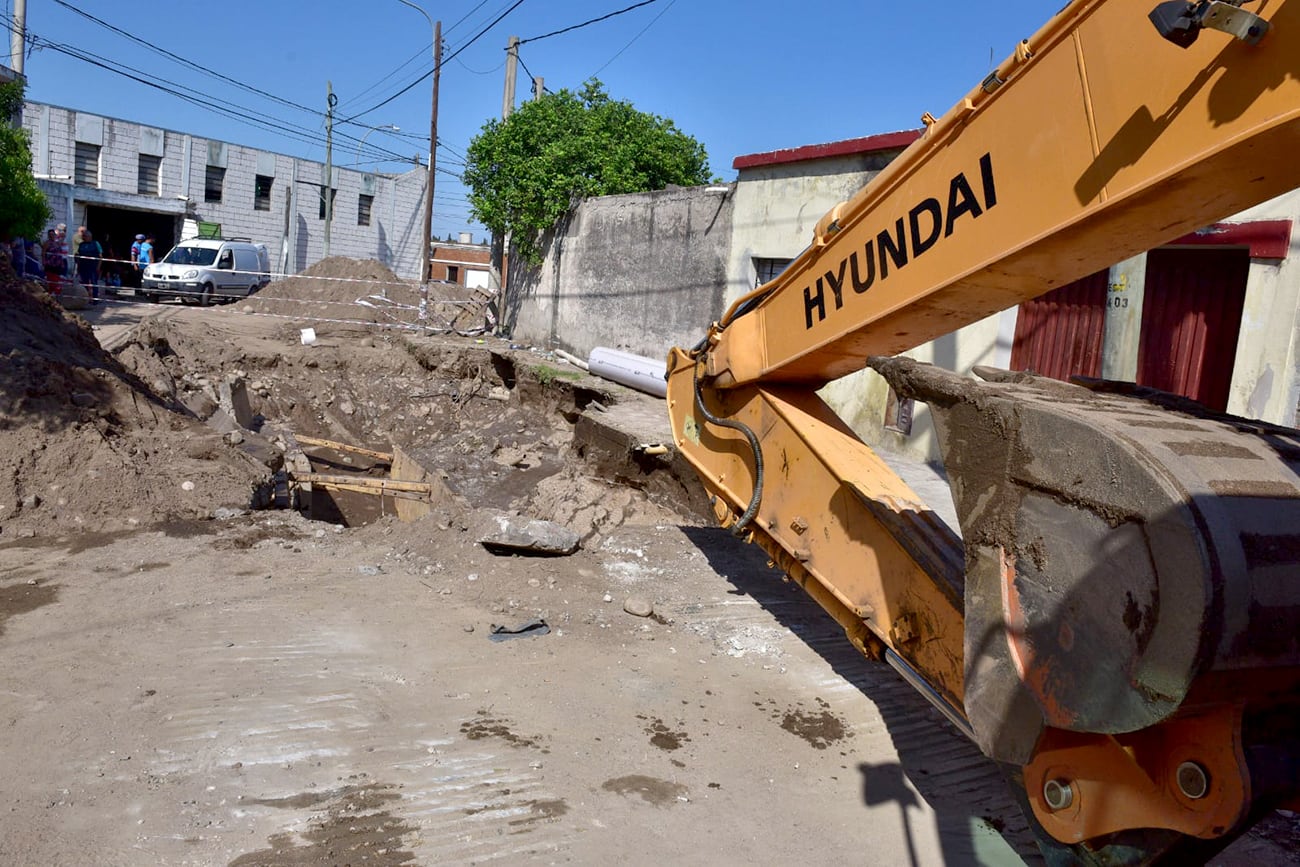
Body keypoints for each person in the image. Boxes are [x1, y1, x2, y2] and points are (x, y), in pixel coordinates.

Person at [77, 229, 102, 303]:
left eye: (84, 236)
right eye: (83, 236)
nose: (83, 237)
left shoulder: (95, 243)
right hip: (83, 267)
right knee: (84, 282)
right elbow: (79, 256)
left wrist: (98, 266)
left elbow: (100, 256)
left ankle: (95, 299)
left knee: (94, 282)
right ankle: (86, 298)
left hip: (93, 267)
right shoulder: (81, 244)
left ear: (89, 236)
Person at [43, 228, 65, 296]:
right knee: (50, 278)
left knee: (57, 278)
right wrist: (43, 261)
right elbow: (43, 252)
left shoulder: (57, 242)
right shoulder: (47, 243)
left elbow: (60, 252)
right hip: (50, 263)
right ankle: (50, 292)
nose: (52, 236)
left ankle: (56, 292)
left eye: (53, 234)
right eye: (50, 234)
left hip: (58, 263)